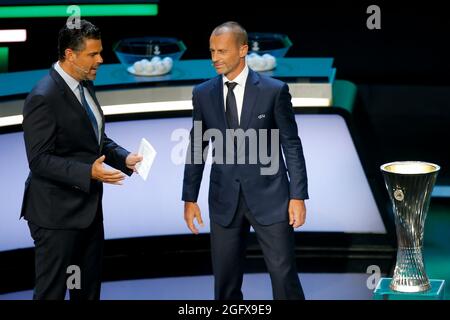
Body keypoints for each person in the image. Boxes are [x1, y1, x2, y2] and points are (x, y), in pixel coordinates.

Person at [182, 21, 309, 300]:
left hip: (271, 197)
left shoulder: (273, 90)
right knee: (225, 284)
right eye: (212, 51)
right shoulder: (203, 93)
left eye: (222, 51)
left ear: (243, 50)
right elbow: (196, 146)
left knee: (284, 277)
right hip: (224, 198)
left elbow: (291, 144)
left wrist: (298, 195)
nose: (215, 58)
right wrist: (189, 198)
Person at [20, 20, 142, 300]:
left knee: (85, 293)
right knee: (52, 294)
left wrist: (125, 159)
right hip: (56, 217)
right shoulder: (43, 97)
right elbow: (39, 160)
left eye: (100, 52)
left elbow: (94, 138)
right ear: (70, 55)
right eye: (92, 54)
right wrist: (88, 172)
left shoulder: (84, 83)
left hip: (87, 212)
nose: (100, 59)